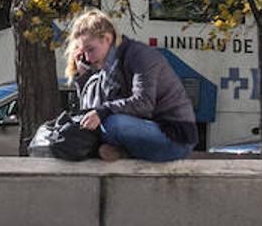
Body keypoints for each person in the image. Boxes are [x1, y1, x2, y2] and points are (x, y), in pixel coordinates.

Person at [65, 9, 197, 162]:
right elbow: (92, 109)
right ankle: (122, 152)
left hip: (174, 137)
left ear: (107, 39)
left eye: (91, 50)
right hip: (142, 129)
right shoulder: (106, 69)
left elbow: (143, 103)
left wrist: (104, 112)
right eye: (84, 52)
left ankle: (123, 152)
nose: (88, 57)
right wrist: (84, 77)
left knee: (112, 124)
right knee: (92, 128)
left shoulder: (140, 55)